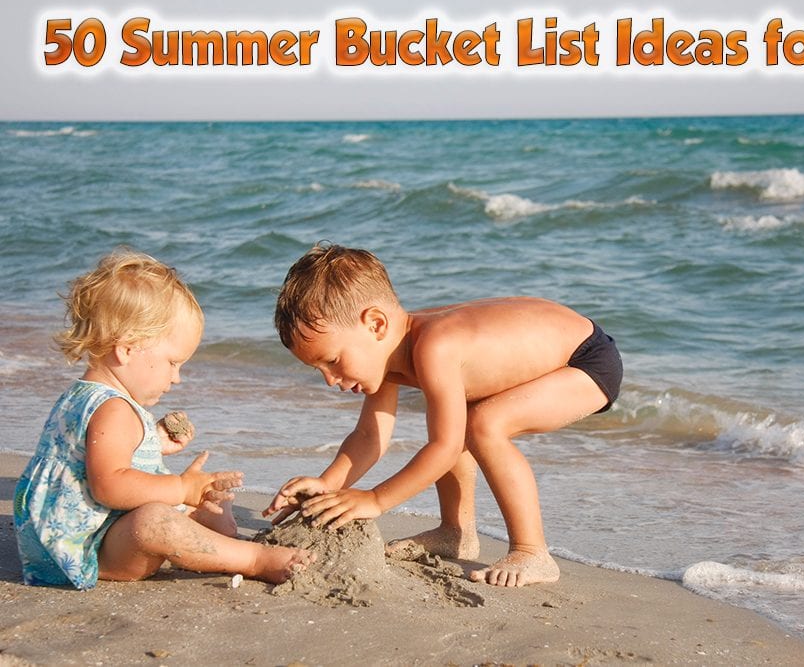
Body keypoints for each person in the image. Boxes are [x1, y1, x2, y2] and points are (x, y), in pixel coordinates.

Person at [264, 243, 622, 587]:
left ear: (375, 325)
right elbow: (370, 436)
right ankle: (456, 532)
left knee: (484, 425)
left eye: (333, 360)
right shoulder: (389, 353)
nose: (330, 379)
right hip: (558, 350)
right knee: (457, 419)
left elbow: (446, 449)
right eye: (319, 369)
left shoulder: (435, 346)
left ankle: (532, 551)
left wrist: (376, 500)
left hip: (586, 360)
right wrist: (329, 484)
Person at [14, 249, 313, 589]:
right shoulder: (113, 409)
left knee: (208, 499)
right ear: (127, 349)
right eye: (173, 362)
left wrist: (151, 441)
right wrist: (182, 488)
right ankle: (253, 558)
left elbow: (90, 459)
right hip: (86, 548)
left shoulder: (84, 396)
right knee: (156, 521)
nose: (177, 377)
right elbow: (109, 485)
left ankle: (219, 536)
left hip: (65, 536)